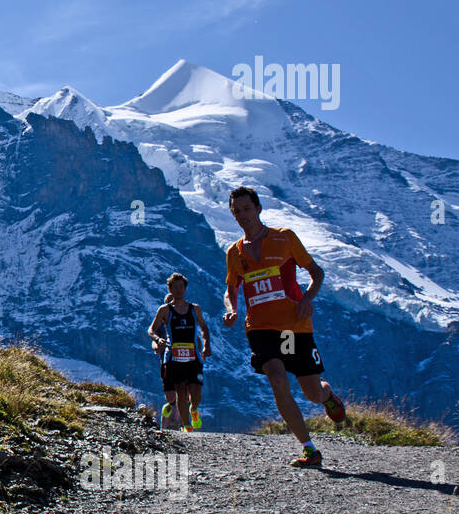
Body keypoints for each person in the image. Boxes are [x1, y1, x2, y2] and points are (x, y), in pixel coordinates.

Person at [220, 186, 348, 467]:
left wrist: (307, 300)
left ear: (258, 209)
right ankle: (310, 449)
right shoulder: (234, 252)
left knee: (311, 393)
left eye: (246, 209)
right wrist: (232, 310)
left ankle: (328, 396)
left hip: (293, 327)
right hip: (260, 328)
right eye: (236, 211)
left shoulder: (284, 238)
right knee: (277, 379)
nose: (242, 216)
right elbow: (231, 289)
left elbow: (316, 273)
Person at [147, 273, 210, 430]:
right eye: (175, 287)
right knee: (181, 392)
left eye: (181, 287)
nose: (179, 290)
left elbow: (203, 328)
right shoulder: (164, 310)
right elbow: (151, 329)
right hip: (173, 357)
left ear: (185, 288)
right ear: (170, 289)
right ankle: (188, 427)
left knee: (195, 393)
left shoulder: (195, 309)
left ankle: (193, 409)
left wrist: (206, 345)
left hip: (193, 357)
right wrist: (157, 339)